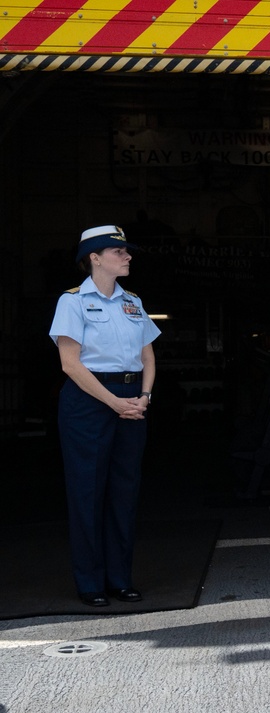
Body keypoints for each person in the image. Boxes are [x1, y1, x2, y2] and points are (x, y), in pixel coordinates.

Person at [48, 225, 160, 607]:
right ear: (95, 258)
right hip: (90, 400)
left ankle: (119, 578)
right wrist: (114, 402)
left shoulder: (134, 301)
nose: (127, 257)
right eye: (119, 252)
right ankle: (90, 582)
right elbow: (69, 364)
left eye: (127, 252)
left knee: (124, 492)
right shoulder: (73, 301)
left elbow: (147, 356)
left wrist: (144, 396)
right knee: (87, 491)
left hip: (131, 398)